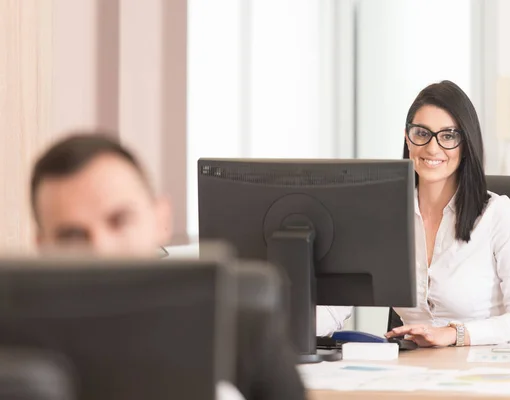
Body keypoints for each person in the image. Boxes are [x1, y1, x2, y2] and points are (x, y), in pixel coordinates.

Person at [29, 133, 306, 400]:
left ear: (161, 218)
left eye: (120, 220)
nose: (102, 249)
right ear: (43, 246)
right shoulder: (18, 349)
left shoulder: (245, 338)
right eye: (72, 235)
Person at [383, 80, 510, 347]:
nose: (432, 148)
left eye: (448, 136)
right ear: (407, 137)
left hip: (485, 371)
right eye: (422, 133)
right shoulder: (386, 215)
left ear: (465, 143)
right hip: (412, 371)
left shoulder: (498, 215)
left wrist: (453, 333)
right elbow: (338, 305)